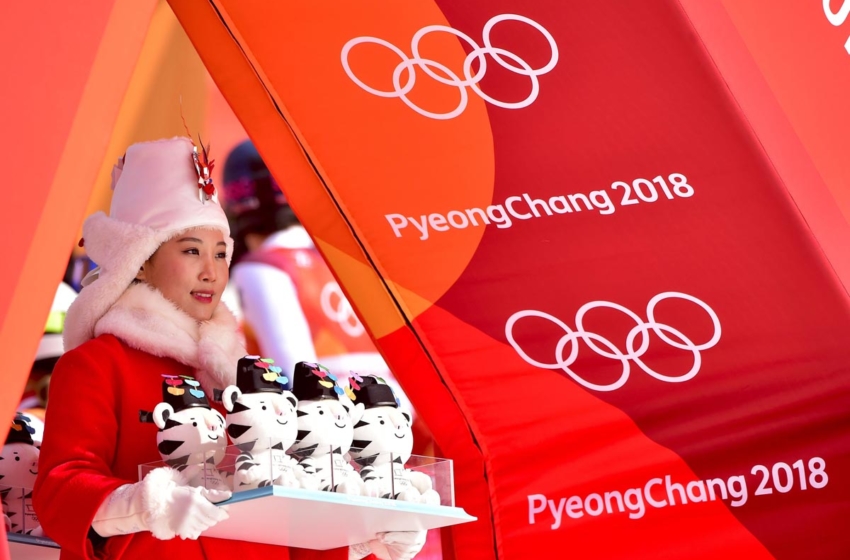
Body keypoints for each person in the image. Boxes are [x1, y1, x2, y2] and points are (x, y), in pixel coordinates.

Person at [33, 137, 425, 560]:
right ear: (139, 261)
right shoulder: (97, 364)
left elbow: (279, 511)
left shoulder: (248, 377)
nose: (211, 272)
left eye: (221, 254)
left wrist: (362, 539)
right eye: (191, 251)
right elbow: (60, 492)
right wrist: (150, 505)